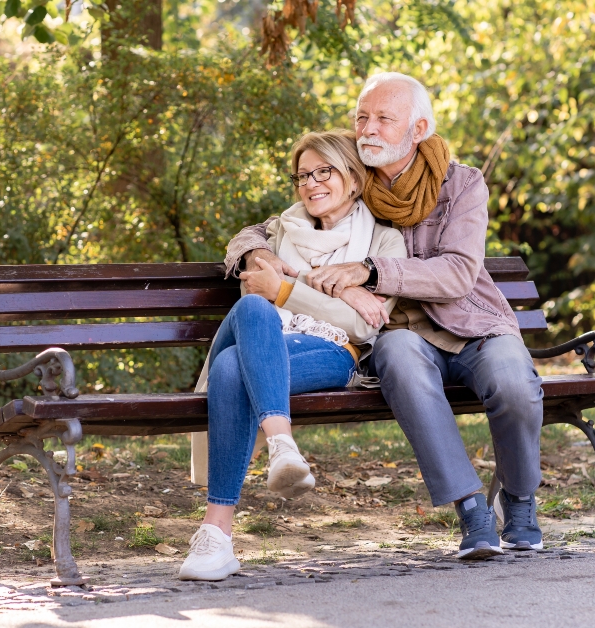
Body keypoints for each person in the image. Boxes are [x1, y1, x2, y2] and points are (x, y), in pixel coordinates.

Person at [224, 72, 545, 560]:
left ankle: (520, 502)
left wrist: (370, 272)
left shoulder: (461, 183)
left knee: (515, 385)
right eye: (361, 117)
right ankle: (472, 510)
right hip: (395, 332)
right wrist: (253, 255)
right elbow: (267, 226)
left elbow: (458, 273)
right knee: (402, 364)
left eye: (383, 119)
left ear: (417, 130)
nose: (367, 129)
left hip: (471, 323)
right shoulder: (353, 175)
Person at [179, 131, 407, 581]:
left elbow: (363, 326)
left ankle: (216, 535)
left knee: (230, 368)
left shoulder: (384, 244)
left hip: (333, 353)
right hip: (260, 335)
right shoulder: (277, 230)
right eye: (303, 175)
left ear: (355, 179)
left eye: (325, 171)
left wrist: (285, 289)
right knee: (251, 307)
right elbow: (249, 276)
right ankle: (282, 446)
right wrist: (320, 293)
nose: (312, 182)